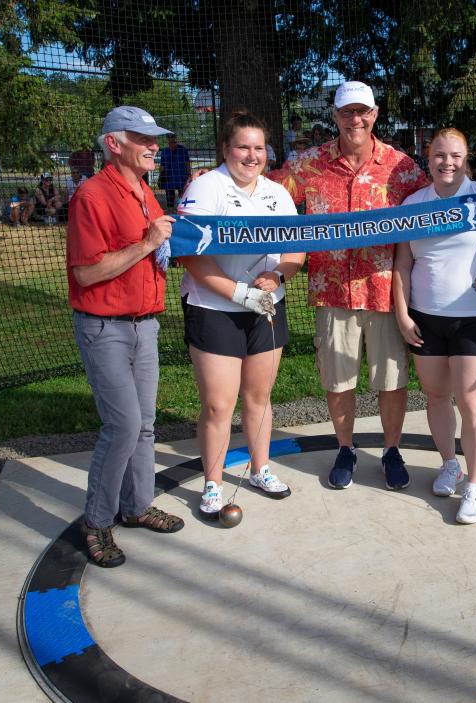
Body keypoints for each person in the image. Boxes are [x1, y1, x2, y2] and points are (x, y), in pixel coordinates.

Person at [270, 81, 430, 490]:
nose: (354, 119)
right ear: (335, 116)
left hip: (384, 291)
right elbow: (266, 191)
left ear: (375, 115)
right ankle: (346, 448)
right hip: (332, 292)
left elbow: (436, 205)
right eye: (346, 112)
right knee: (338, 381)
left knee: (392, 380)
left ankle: (391, 450)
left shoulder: (402, 167)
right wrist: (217, 176)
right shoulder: (309, 164)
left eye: (362, 112)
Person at [66, 105, 183, 568]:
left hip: (144, 325)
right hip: (105, 328)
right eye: (143, 138)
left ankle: (135, 507)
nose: (154, 145)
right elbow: (88, 272)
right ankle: (97, 521)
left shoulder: (144, 193)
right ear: (114, 144)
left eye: (155, 137)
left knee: (146, 424)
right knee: (123, 426)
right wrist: (149, 244)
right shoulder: (92, 196)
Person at [178, 110, 305, 517]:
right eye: (242, 147)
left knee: (259, 397)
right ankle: (213, 483)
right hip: (215, 308)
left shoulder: (276, 192)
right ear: (226, 149)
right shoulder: (206, 188)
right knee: (218, 404)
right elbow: (189, 253)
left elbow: (296, 247)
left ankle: (259, 468)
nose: (252, 156)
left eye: (259, 148)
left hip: (265, 307)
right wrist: (237, 292)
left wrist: (278, 275)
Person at [392, 128, 476, 524]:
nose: (447, 162)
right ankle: (450, 464)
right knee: (436, 396)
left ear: (466, 159)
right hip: (425, 318)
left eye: (455, 155)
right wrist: (402, 314)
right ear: (427, 158)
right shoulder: (413, 204)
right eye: (439, 155)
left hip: (473, 317)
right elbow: (403, 264)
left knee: (471, 403)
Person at [158, 133, 191, 209]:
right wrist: (160, 176)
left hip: (181, 177)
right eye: (170, 142)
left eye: (173, 141)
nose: (172, 143)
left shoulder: (182, 149)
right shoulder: (165, 151)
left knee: (183, 195)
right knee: (170, 197)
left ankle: (182, 209)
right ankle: (171, 210)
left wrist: (189, 174)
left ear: (175, 139)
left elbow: (187, 163)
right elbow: (162, 165)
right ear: (167, 140)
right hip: (169, 178)